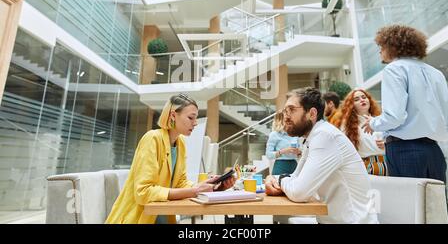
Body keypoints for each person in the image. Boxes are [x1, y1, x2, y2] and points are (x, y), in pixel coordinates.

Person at [106, 93, 235, 224]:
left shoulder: (180, 143)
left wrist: (209, 186)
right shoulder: (152, 139)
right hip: (137, 219)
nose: (195, 123)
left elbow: (180, 183)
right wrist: (194, 190)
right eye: (191, 118)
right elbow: (143, 192)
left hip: (162, 217)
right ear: (173, 115)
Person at [265, 88, 378, 224]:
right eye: (285, 111)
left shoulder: (324, 136)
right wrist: (273, 178)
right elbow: (296, 177)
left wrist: (280, 180)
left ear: (312, 113)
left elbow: (299, 192)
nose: (286, 116)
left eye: (291, 110)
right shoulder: (313, 136)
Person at [362, 25, 448, 184]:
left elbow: (395, 116)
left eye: (381, 46)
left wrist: (374, 123)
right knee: (437, 205)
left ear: (393, 46)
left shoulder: (394, 69)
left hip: (405, 151)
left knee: (410, 206)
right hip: (434, 150)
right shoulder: (437, 74)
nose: (379, 51)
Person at [336, 89, 387, 176]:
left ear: (369, 100)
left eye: (364, 97)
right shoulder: (347, 126)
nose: (362, 100)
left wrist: (387, 144)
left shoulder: (380, 120)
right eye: (356, 99)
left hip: (388, 164)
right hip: (366, 168)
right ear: (351, 106)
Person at [265, 110, 301, 175]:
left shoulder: (295, 134)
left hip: (294, 165)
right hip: (280, 166)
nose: (290, 120)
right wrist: (283, 151)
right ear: (280, 120)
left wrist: (299, 152)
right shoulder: (274, 135)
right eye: (287, 118)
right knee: (279, 185)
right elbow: (268, 155)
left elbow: (300, 154)